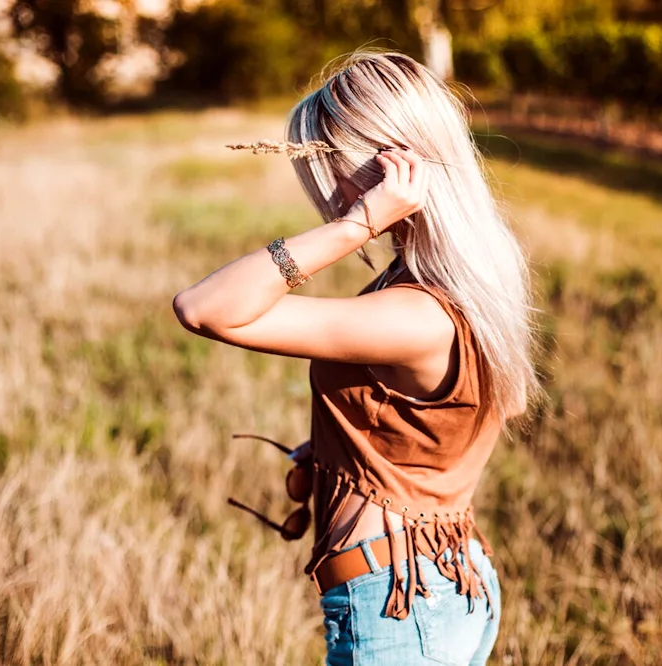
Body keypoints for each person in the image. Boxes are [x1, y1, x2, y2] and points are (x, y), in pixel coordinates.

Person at [173, 50, 538, 666]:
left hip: (398, 610)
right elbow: (473, 409)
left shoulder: (414, 315)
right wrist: (352, 442)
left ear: (387, 170)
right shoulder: (471, 284)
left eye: (327, 169)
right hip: (450, 581)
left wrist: (356, 225)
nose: (323, 193)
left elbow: (205, 307)